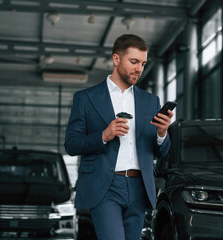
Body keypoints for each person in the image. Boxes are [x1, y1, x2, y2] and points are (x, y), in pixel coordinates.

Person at [64, 34, 173, 240]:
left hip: (139, 187)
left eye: (142, 63)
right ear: (116, 59)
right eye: (133, 62)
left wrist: (162, 133)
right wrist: (104, 135)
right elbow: (71, 144)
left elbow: (162, 150)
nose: (139, 68)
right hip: (105, 187)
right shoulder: (86, 98)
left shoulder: (151, 101)